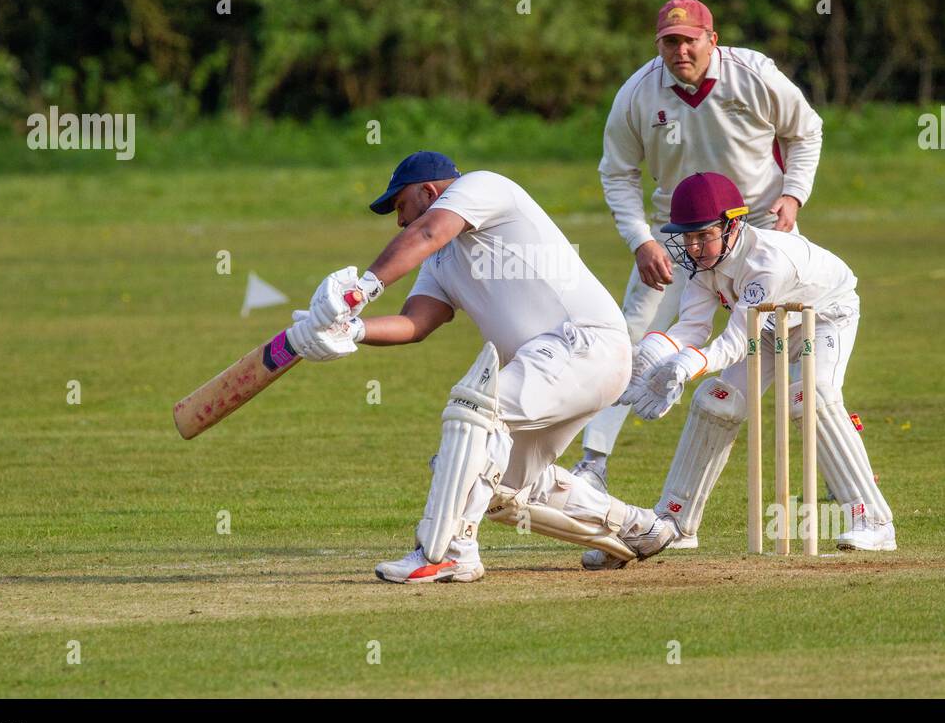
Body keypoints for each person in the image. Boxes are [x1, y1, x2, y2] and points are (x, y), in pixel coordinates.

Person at [287, 151, 676, 583]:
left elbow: (429, 230)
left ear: (428, 191)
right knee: (503, 490)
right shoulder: (440, 260)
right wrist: (350, 328)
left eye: (400, 207)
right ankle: (638, 529)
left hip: (585, 343)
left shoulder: (483, 186)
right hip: (555, 365)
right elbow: (416, 323)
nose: (399, 221)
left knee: (473, 411)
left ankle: (447, 551)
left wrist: (360, 290)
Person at [574, 0, 825, 546]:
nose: (681, 50)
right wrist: (641, 240)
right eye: (670, 41)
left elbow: (805, 132)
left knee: (798, 352)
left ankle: (839, 479)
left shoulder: (754, 75)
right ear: (658, 44)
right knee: (628, 343)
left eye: (690, 39)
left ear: (713, 38)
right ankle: (593, 464)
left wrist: (794, 197)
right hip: (674, 238)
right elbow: (617, 173)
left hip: (759, 230)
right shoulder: (638, 93)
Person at [582, 171, 895, 569]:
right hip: (763, 324)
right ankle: (675, 521)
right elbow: (693, 326)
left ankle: (872, 520)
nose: (693, 247)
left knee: (810, 398)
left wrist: (689, 365)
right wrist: (652, 356)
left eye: (703, 235)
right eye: (687, 236)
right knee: (716, 401)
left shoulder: (767, 264)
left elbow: (733, 343)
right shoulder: (703, 264)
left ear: (733, 224)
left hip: (824, 316)